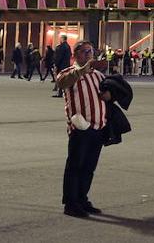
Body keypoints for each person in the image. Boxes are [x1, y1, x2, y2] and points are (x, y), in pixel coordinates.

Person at [55, 40, 111, 218]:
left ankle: (82, 199)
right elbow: (62, 83)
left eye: (91, 51)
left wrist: (109, 95)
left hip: (98, 127)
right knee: (75, 166)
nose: (88, 54)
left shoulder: (98, 76)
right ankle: (71, 203)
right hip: (80, 127)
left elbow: (108, 93)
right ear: (75, 55)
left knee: (88, 167)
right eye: (84, 51)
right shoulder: (67, 73)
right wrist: (82, 70)